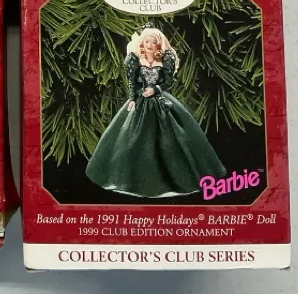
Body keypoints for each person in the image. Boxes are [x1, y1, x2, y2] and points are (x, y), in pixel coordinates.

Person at [85, 27, 225, 197]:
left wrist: (155, 89)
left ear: (159, 44)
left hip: (161, 101)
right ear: (142, 43)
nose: (150, 45)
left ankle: (175, 177)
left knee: (172, 137)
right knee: (128, 137)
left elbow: (167, 82)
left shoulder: (165, 60)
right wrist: (132, 99)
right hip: (140, 102)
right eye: (147, 41)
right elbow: (132, 83)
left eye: (153, 42)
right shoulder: (135, 60)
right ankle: (131, 178)